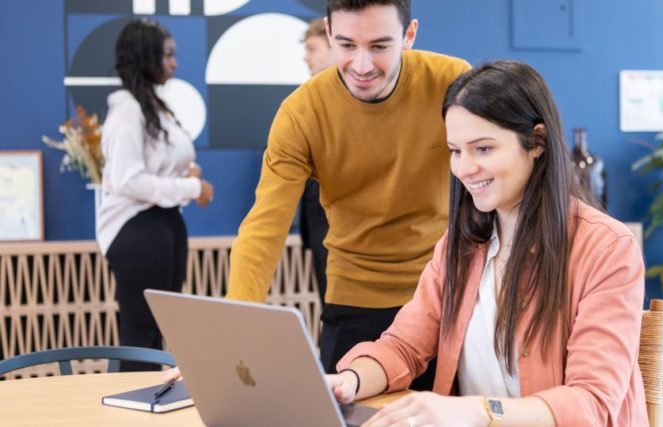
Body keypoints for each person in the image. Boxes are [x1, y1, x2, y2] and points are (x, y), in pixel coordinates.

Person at [327, 61, 647, 426]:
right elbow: (403, 345)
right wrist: (348, 381)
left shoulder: (607, 249)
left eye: (482, 149)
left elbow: (590, 403)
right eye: (455, 150)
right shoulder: (459, 246)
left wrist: (477, 410)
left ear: (537, 142)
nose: (463, 169)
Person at [227, 0, 470, 387]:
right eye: (346, 45)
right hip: (354, 297)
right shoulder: (301, 113)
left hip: (444, 295)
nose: (361, 65)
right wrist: (234, 336)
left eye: (379, 46)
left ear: (409, 36)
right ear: (328, 34)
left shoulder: (451, 82)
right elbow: (263, 229)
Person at [97, 18, 214, 372]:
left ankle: (152, 404)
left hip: (163, 225)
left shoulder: (151, 106)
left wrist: (184, 175)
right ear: (145, 56)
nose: (174, 63)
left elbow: (155, 167)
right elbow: (128, 180)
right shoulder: (128, 111)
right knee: (141, 334)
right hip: (138, 230)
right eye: (167, 55)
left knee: (156, 333)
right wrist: (192, 187)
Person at [299, 18, 333, 307]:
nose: (305, 56)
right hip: (317, 226)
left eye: (312, 48)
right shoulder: (306, 101)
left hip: (342, 229)